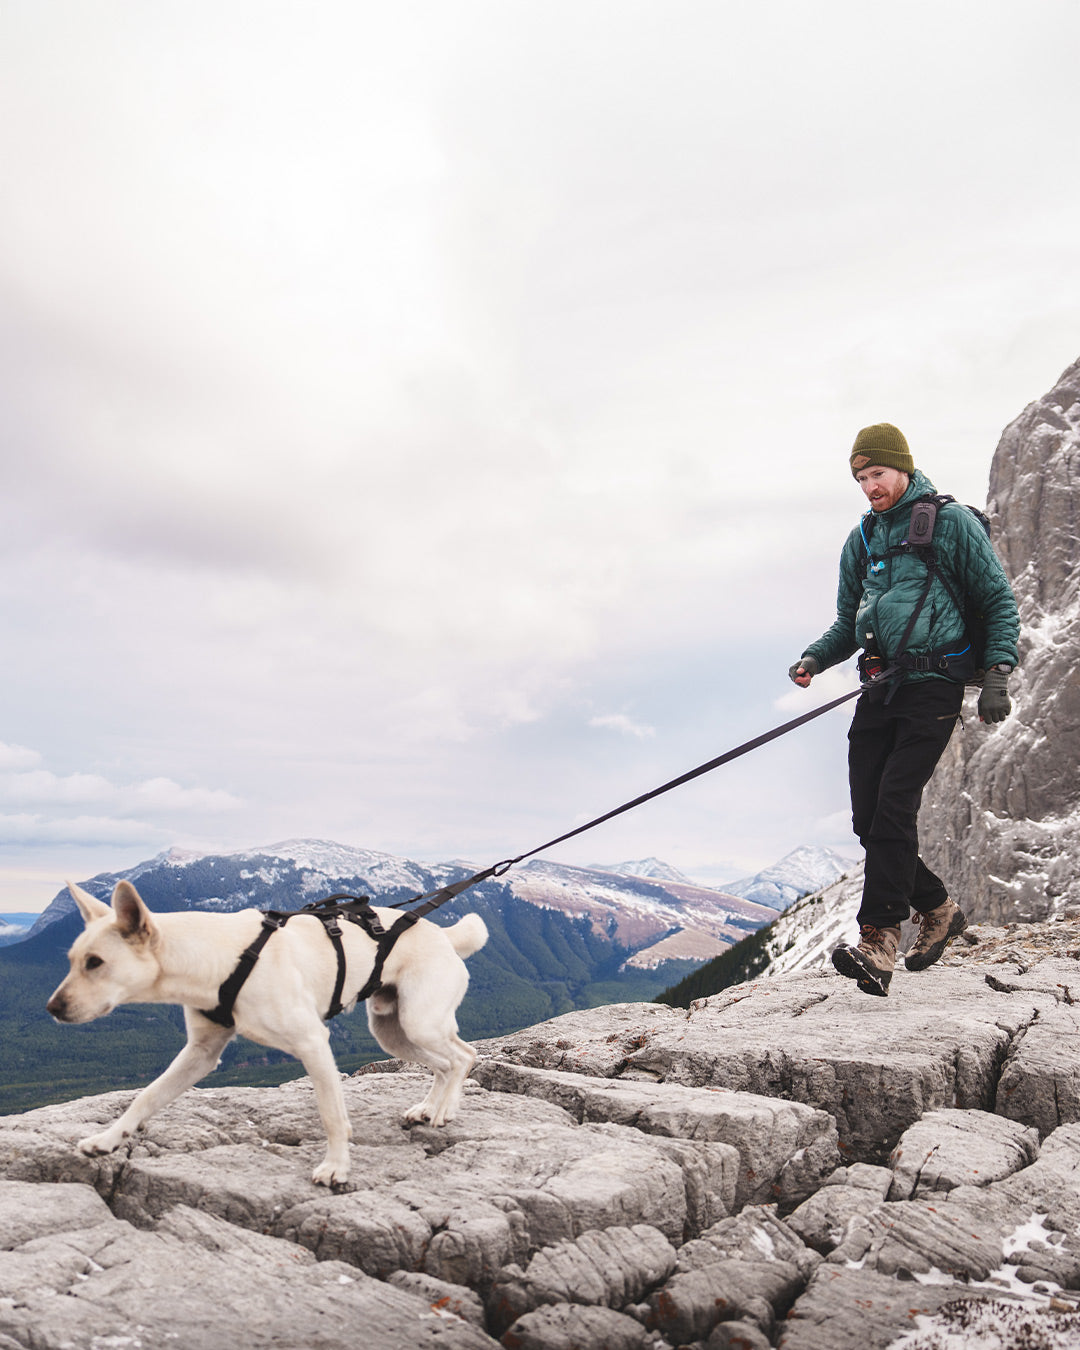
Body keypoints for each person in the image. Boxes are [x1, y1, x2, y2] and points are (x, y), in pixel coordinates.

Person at [789, 423, 1020, 996]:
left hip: (934, 684)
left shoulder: (948, 522)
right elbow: (849, 620)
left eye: (878, 474)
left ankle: (879, 941)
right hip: (880, 686)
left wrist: (996, 673)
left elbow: (995, 597)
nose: (870, 486)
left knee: (894, 804)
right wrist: (816, 658)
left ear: (904, 468)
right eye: (861, 478)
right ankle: (939, 908)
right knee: (867, 819)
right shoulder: (863, 537)